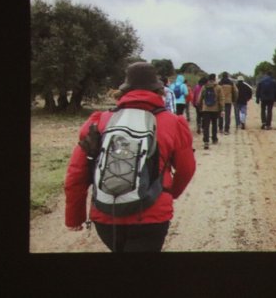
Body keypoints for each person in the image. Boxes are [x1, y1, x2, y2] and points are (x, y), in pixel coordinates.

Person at [64, 62, 196, 252]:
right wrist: (168, 192)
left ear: (124, 90)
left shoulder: (98, 121)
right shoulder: (174, 123)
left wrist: (74, 216)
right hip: (151, 216)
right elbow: (186, 169)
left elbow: (77, 173)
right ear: (158, 89)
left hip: (106, 216)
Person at [197, 73, 224, 149]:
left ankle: (206, 141)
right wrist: (222, 109)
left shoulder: (204, 87)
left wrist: (199, 107)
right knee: (214, 124)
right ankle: (214, 139)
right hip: (215, 109)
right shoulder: (218, 87)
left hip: (206, 109)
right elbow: (221, 99)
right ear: (215, 79)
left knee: (206, 125)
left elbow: (199, 98)